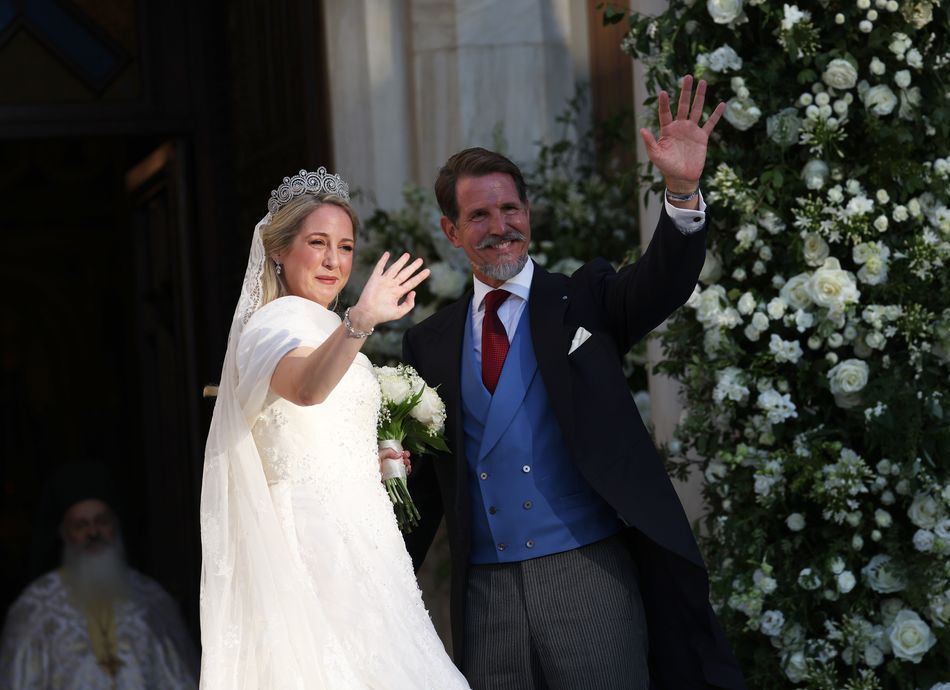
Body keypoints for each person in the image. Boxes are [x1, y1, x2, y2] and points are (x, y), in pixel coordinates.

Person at [402, 77, 747, 689]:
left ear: (528, 215)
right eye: (478, 215)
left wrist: (683, 190)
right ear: (451, 232)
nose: (499, 226)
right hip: (486, 592)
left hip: (589, 575)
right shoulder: (427, 342)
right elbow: (425, 483)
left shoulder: (583, 298)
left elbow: (660, 282)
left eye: (510, 209)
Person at [199, 167, 470, 689]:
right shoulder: (272, 323)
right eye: (317, 243)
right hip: (313, 546)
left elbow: (319, 419)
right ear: (278, 250)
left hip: (367, 538)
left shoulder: (325, 324)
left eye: (345, 247)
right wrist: (361, 321)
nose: (333, 261)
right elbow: (305, 388)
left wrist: (377, 453)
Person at [0, 462, 199, 689]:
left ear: (115, 525)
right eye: (80, 525)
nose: (93, 532)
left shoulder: (152, 599)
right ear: (64, 533)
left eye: (102, 521)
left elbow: (180, 679)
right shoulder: (34, 608)